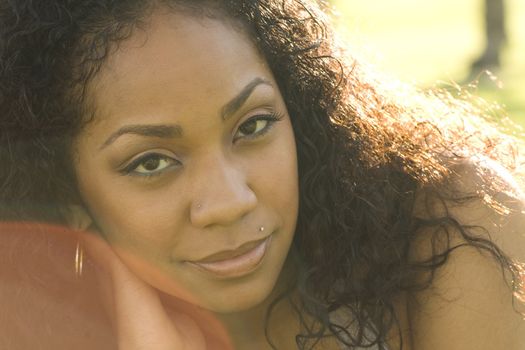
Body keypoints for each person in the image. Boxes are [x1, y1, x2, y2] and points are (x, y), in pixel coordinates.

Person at [0, 0, 524, 349]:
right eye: (152, 162)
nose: (230, 201)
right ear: (60, 187)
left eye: (252, 126)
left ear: (301, 108)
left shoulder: (457, 227)